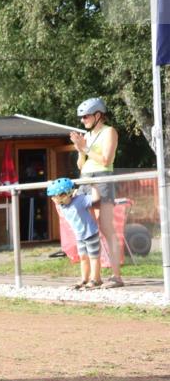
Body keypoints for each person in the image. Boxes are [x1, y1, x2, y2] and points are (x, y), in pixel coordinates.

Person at [68, 98, 122, 288]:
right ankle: (94, 277)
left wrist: (85, 147)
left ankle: (116, 276)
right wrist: (80, 150)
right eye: (81, 117)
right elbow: (81, 165)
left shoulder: (109, 131)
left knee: (106, 228)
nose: (82, 120)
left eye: (86, 116)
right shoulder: (87, 135)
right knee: (89, 230)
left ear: (98, 115)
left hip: (102, 178)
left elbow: (106, 160)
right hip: (85, 179)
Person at [47, 178, 103, 290]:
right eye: (53, 197)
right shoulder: (61, 205)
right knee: (83, 257)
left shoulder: (80, 200)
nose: (54, 199)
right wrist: (51, 184)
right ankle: (84, 279)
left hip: (90, 233)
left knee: (94, 257)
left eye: (57, 196)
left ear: (67, 194)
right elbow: (59, 198)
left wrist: (94, 186)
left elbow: (95, 199)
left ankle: (96, 279)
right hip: (80, 236)